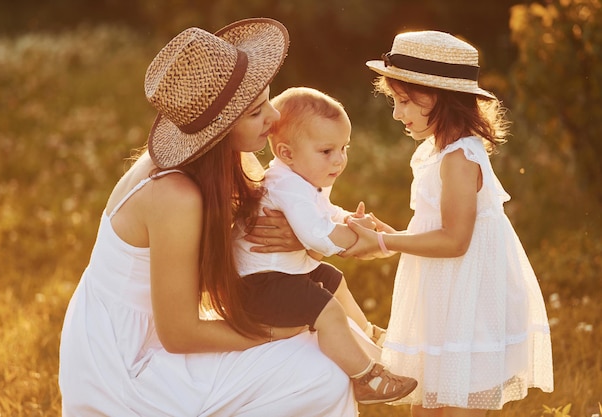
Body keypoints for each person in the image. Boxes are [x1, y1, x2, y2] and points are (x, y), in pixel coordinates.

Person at [58, 18, 359, 417]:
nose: (274, 117)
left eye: (267, 100)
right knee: (322, 374)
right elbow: (180, 333)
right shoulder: (174, 195)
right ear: (217, 131)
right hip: (124, 367)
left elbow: (245, 258)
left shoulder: (228, 165)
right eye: (256, 112)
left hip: (156, 341)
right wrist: (281, 331)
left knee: (325, 348)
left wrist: (300, 239)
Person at [342, 30, 554, 416]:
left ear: (438, 97)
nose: (396, 113)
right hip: (445, 294)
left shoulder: (459, 158)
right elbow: (435, 231)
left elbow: (456, 241)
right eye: (395, 101)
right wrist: (386, 234)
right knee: (427, 404)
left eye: (404, 101)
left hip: (470, 302)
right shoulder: (435, 151)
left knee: (456, 405)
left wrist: (386, 244)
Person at [232, 86, 418, 405]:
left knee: (332, 279)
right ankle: (365, 377)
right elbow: (317, 235)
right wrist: (360, 239)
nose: (339, 160)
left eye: (344, 148)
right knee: (327, 310)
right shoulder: (287, 186)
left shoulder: (302, 178)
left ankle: (369, 333)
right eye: (327, 151)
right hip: (258, 287)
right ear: (287, 153)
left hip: (279, 275)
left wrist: (349, 221)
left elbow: (325, 214)